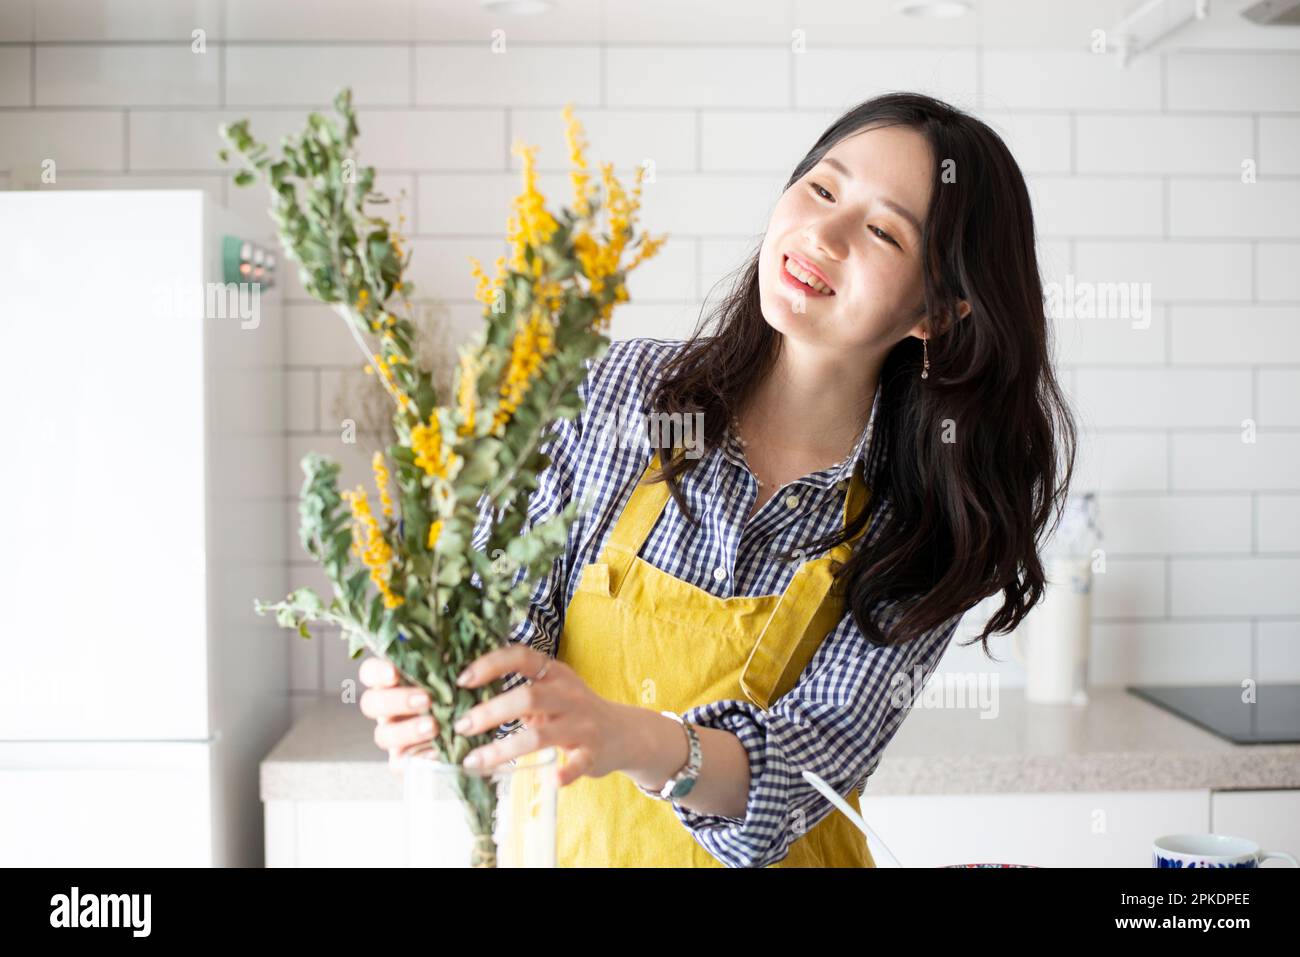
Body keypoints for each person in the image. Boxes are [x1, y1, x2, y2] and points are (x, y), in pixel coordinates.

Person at [359, 91, 1077, 868]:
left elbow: (806, 768)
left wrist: (619, 732)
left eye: (880, 231)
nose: (823, 235)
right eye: (821, 189)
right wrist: (440, 682)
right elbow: (506, 639)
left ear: (935, 313)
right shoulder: (616, 392)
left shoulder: (927, 523)